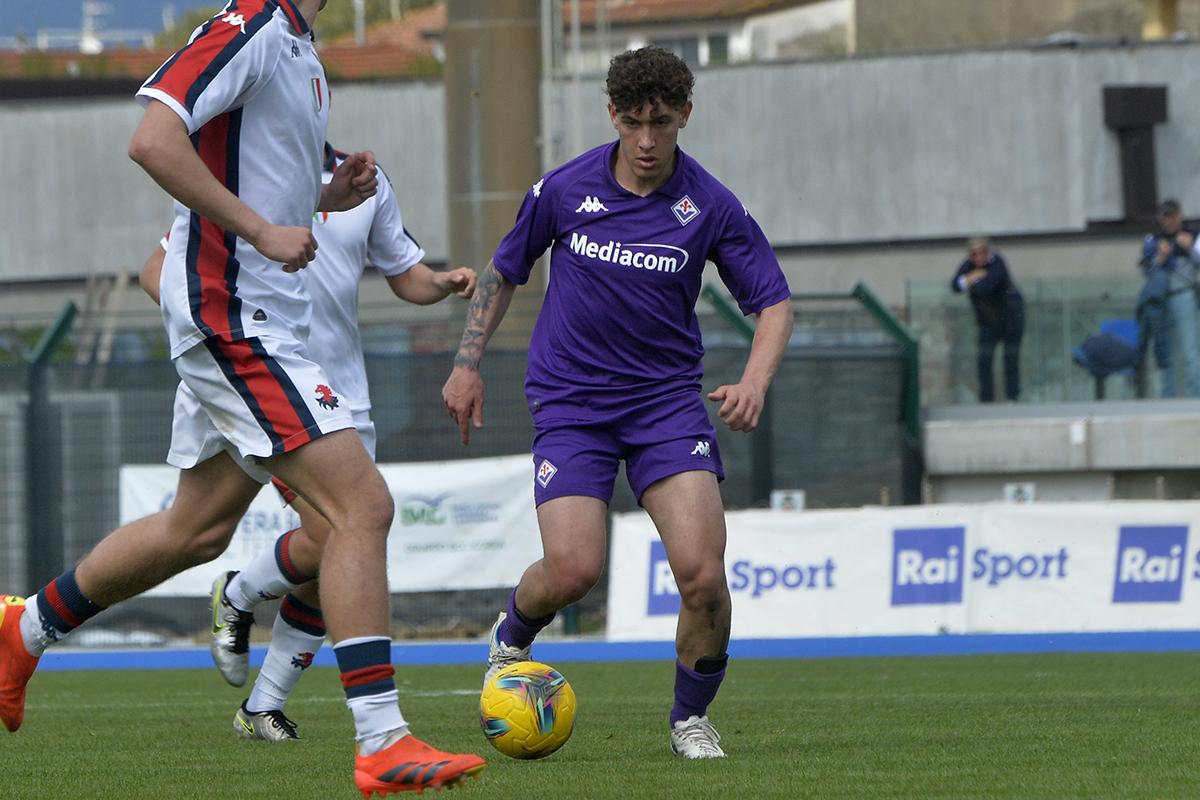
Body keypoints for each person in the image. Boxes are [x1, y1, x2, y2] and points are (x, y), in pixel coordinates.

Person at [0, 2, 484, 794]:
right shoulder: (252, 24)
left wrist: (321, 200)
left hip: (256, 320)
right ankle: (382, 740)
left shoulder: (295, 44)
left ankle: (25, 627)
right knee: (361, 509)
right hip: (237, 320)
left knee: (194, 530)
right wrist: (261, 230)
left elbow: (243, 171)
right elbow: (151, 139)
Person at [441, 47, 794, 760]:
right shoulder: (564, 189)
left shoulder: (711, 204)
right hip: (573, 402)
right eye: (632, 123)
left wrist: (754, 381)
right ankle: (512, 634)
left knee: (703, 579)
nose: (644, 141)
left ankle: (689, 719)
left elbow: (775, 302)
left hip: (667, 406)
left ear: (683, 117)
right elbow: (505, 271)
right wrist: (466, 363)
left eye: (660, 124)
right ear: (613, 116)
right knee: (573, 571)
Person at [139, 142, 477, 742]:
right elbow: (156, 272)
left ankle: (262, 703)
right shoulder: (240, 172)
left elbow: (406, 277)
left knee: (337, 555)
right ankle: (241, 595)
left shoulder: (365, 180)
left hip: (343, 394)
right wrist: (214, 325)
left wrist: (444, 283)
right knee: (336, 530)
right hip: (265, 383)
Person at [1137, 199, 1200, 397]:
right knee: (1164, 352)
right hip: (1160, 301)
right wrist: (1159, 258)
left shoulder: (1193, 235)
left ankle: (1195, 396)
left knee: (1189, 352)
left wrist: (1190, 248)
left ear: (1180, 215)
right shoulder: (1153, 240)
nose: (1169, 221)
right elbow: (1145, 269)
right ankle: (1168, 397)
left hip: (1184, 296)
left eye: (1172, 216)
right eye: (1165, 216)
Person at [951, 238, 1025, 402]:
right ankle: (986, 399)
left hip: (1010, 320)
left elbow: (987, 287)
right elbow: (955, 285)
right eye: (974, 253)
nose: (978, 257)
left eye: (982, 252)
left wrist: (970, 280)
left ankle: (1013, 397)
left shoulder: (997, 262)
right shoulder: (969, 266)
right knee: (984, 361)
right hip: (987, 322)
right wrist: (974, 276)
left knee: (1010, 359)